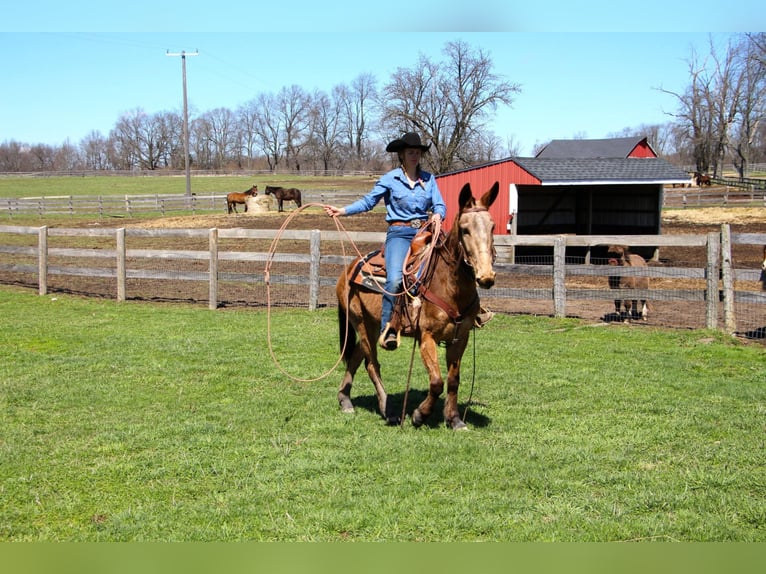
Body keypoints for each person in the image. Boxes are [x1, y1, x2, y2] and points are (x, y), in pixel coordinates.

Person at [324, 132, 447, 351]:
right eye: (410, 152)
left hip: (425, 233)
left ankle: (464, 315)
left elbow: (439, 204)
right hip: (399, 234)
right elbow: (368, 202)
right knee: (394, 280)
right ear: (402, 155)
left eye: (417, 153)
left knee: (452, 264)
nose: (414, 156)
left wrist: (438, 214)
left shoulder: (429, 179)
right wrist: (342, 210)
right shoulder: (390, 179)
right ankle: (388, 327)